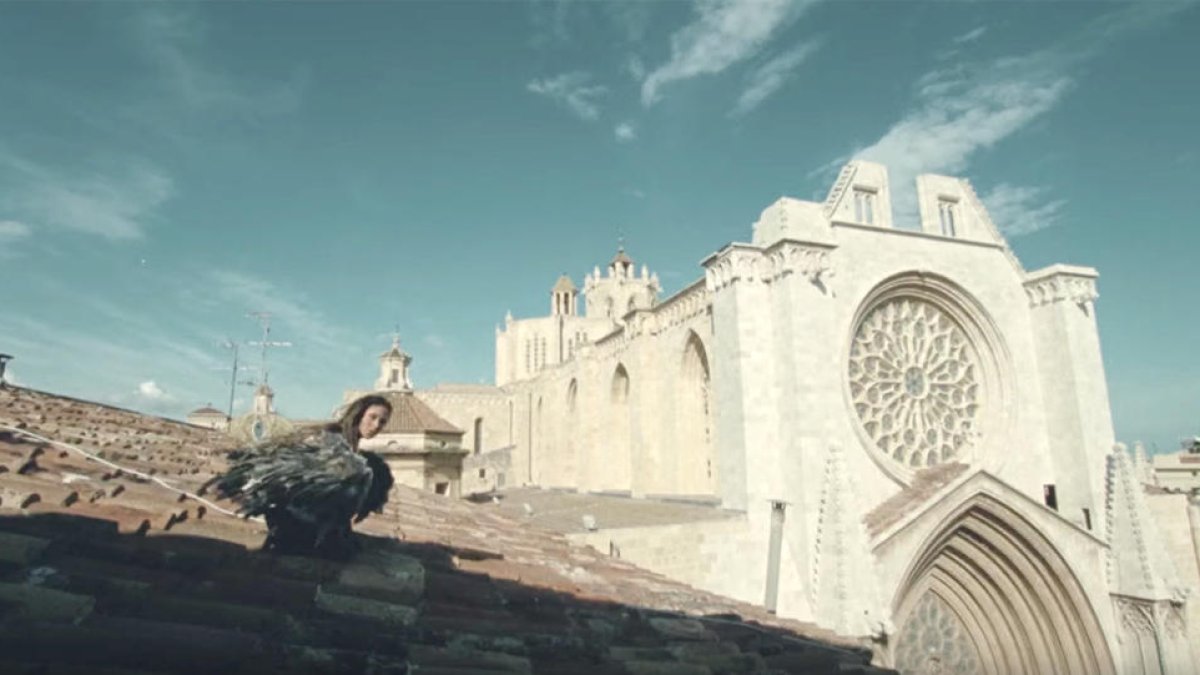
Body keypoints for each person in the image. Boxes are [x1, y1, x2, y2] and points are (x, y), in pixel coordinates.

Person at [205, 395, 395, 558]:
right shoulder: (330, 441)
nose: (376, 425)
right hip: (294, 523)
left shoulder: (352, 450)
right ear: (359, 414)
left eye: (382, 422)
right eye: (373, 417)